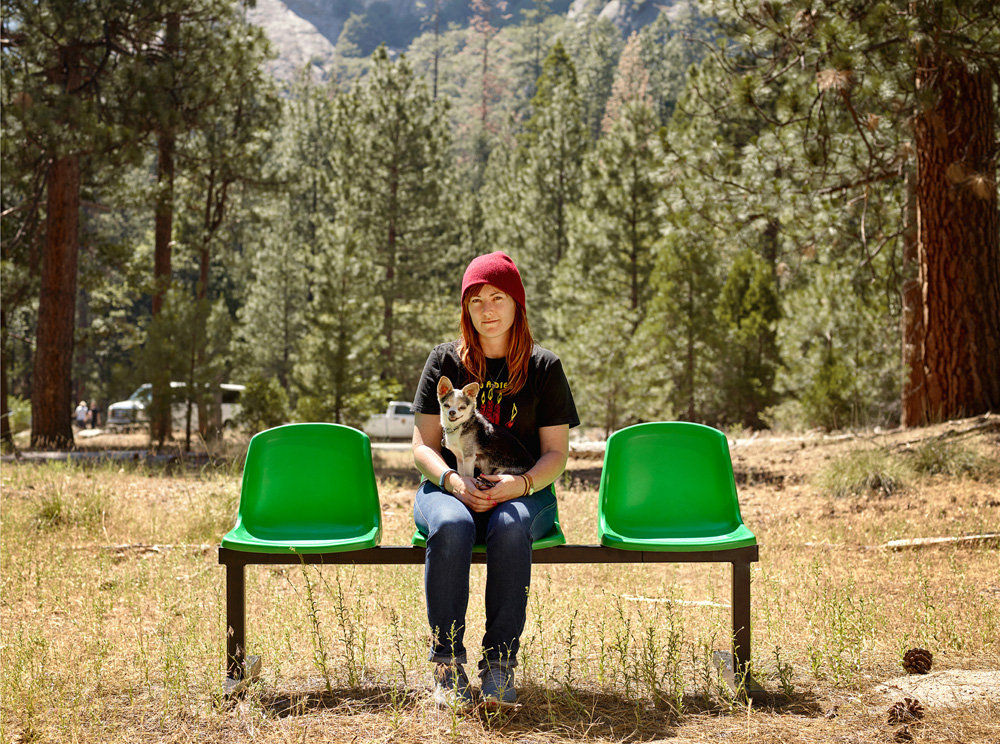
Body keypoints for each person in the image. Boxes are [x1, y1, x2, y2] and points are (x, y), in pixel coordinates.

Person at [411, 251, 579, 710]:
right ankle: (447, 667)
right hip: (450, 485)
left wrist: (519, 486)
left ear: (517, 303)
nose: (487, 309)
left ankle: (499, 667)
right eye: (476, 299)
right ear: (466, 308)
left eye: (498, 297)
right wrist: (451, 482)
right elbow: (423, 446)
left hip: (523, 490)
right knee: (451, 525)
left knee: (508, 526)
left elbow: (556, 455)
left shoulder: (544, 368)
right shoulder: (444, 360)